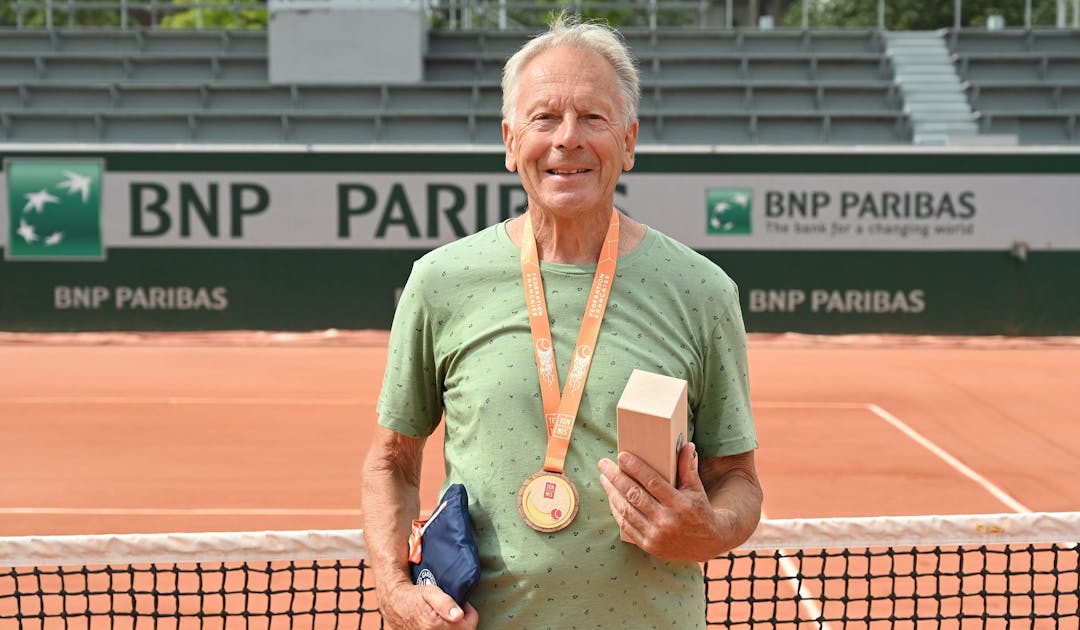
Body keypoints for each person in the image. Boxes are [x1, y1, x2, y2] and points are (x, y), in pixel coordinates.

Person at [361, 14, 762, 629]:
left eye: (593, 118)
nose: (567, 138)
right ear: (509, 140)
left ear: (628, 142)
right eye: (544, 117)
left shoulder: (701, 290)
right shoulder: (441, 281)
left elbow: (737, 478)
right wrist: (394, 589)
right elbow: (392, 462)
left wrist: (710, 530)